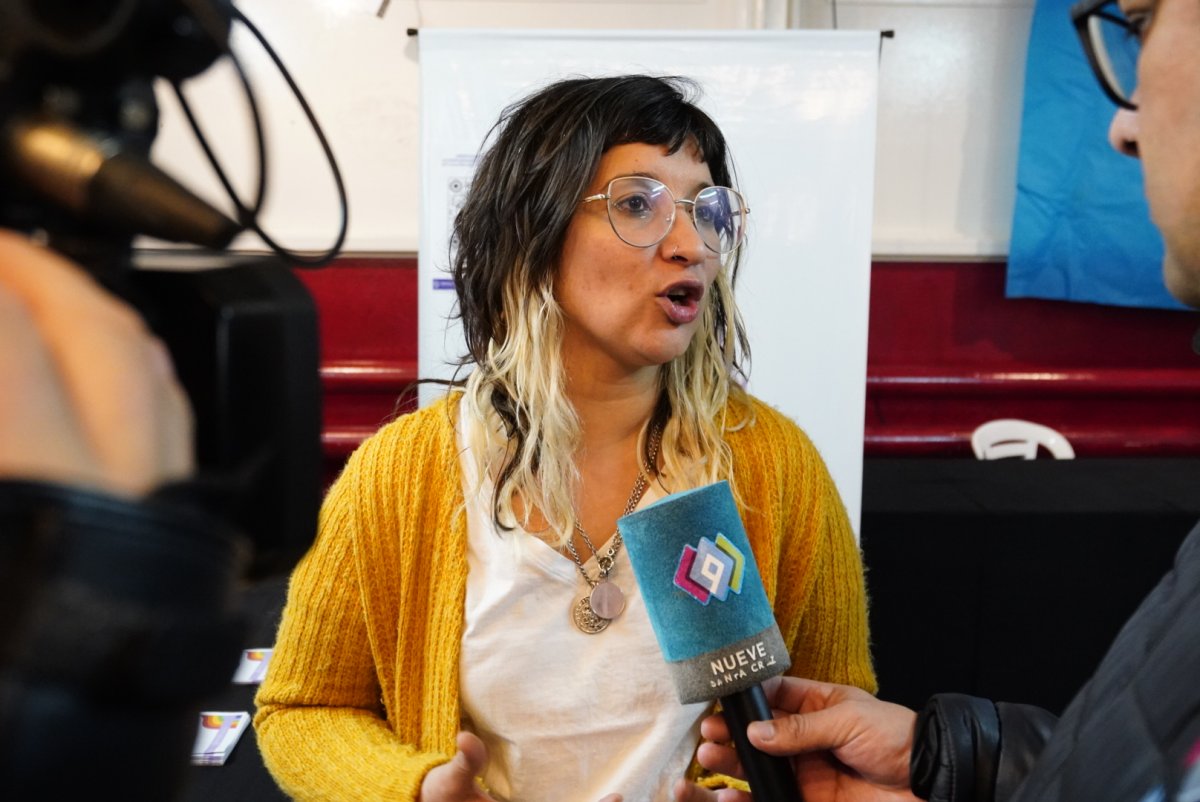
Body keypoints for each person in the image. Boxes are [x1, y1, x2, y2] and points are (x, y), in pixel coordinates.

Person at [254, 74, 877, 802]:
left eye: (706, 211)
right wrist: (413, 790)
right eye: (638, 203)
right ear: (534, 231)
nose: (692, 246)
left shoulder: (774, 466)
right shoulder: (402, 474)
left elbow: (834, 715)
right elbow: (305, 708)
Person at [675, 0, 1200, 799]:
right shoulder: (452, 461)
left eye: (1140, 24)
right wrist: (949, 756)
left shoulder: (775, 458)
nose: (1121, 129)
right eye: (635, 205)